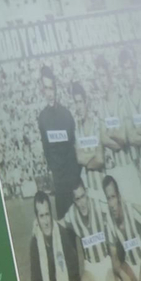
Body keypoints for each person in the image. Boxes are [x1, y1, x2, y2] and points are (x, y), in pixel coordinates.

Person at [64, 180, 125, 281]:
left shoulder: (99, 205)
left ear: (87, 193)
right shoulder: (72, 214)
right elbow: (59, 224)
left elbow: (116, 208)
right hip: (90, 267)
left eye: (83, 197)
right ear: (74, 201)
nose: (81, 202)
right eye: (77, 199)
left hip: (105, 263)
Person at [36, 66, 81, 220]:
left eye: (52, 88)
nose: (50, 93)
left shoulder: (66, 115)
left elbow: (74, 147)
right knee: (65, 231)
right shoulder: (42, 119)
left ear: (56, 88)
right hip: (59, 185)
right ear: (42, 90)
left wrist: (75, 179)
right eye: (46, 88)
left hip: (74, 182)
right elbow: (47, 151)